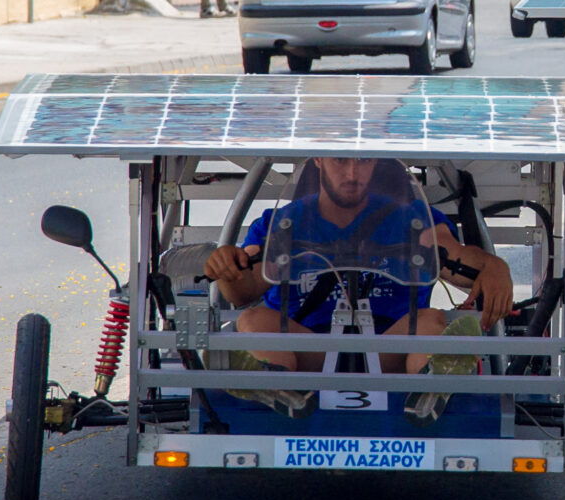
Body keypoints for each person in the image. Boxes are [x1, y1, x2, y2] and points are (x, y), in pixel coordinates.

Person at [202, 158, 515, 412]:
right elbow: (241, 292)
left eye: (363, 161)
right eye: (340, 160)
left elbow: (455, 256)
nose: (352, 173)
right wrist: (227, 266)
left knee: (430, 320)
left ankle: (432, 386)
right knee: (254, 319)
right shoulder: (280, 224)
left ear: (376, 165)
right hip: (308, 353)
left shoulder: (414, 219)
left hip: (392, 352)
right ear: (319, 161)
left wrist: (494, 267)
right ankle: (278, 388)